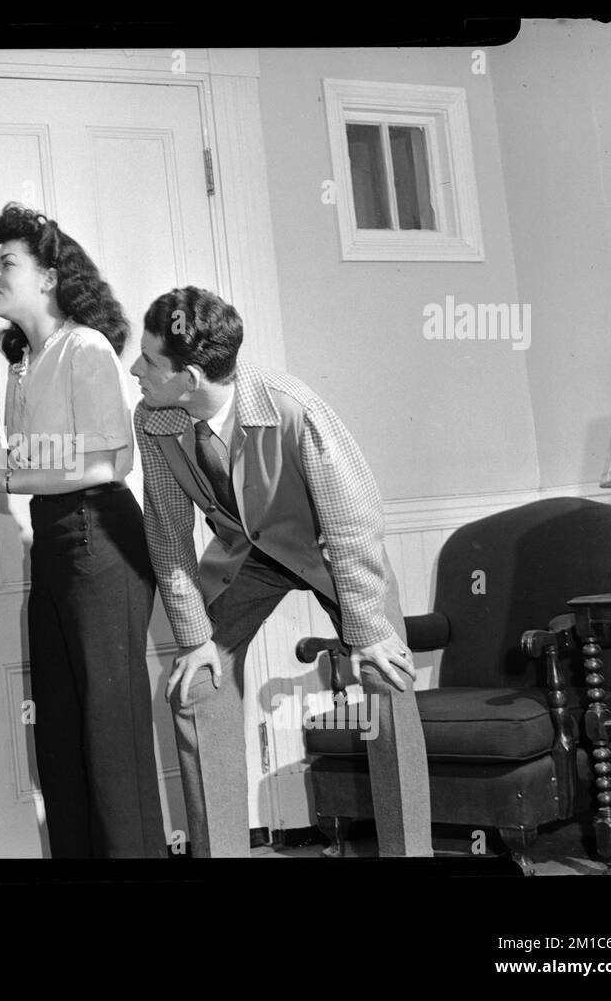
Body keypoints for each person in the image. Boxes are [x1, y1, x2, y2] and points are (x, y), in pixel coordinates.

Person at [130, 286, 432, 858]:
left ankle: (408, 853)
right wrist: (195, 640)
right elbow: (168, 537)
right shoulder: (154, 421)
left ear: (189, 378)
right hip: (248, 556)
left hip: (331, 552)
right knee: (196, 683)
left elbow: (352, 520)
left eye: (148, 361)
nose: (135, 370)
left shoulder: (293, 406)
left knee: (386, 677)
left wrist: (365, 631)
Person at [0, 204, 165, 858]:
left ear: (47, 277)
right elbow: (40, 461)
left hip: (101, 539)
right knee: (61, 730)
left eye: (6, 262)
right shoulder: (23, 360)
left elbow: (112, 460)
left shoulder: (84, 346)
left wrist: (5, 479)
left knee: (110, 734)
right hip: (55, 542)